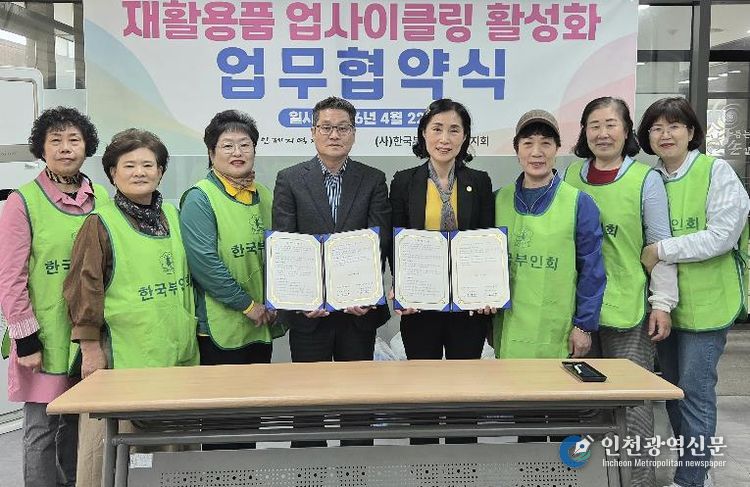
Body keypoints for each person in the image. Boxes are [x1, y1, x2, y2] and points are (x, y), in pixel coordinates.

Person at [64, 129, 199, 486]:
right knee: (115, 447)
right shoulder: (99, 223)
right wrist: (90, 350)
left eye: (148, 165)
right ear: (112, 173)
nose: (140, 172)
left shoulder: (173, 214)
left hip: (174, 348)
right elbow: (83, 289)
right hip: (122, 354)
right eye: (129, 165)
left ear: (161, 171)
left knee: (174, 445)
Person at [565, 97, 678, 487]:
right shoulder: (571, 177)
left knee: (633, 405)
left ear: (626, 130)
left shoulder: (645, 180)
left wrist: (661, 303)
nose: (602, 133)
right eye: (594, 125)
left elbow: (660, 248)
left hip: (627, 308)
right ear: (584, 132)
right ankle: (589, 478)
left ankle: (639, 480)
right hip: (579, 313)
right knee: (583, 404)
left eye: (611, 124)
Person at [637, 97, 749, 487]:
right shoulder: (650, 179)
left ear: (691, 131)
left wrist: (661, 249)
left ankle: (691, 480)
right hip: (663, 305)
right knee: (672, 392)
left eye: (674, 126)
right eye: (656, 128)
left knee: (696, 394)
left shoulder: (716, 172)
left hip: (708, 304)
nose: (665, 134)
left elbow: (722, 236)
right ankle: (696, 469)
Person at [272, 96, 391, 447]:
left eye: (342, 128)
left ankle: (357, 469)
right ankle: (309, 469)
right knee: (309, 407)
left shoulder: (372, 179)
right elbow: (287, 244)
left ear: (353, 133)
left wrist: (365, 293)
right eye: (326, 127)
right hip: (310, 314)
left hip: (358, 312)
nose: (334, 135)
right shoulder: (290, 179)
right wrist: (303, 298)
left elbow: (380, 241)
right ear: (313, 132)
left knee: (357, 407)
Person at [0, 106, 106, 487]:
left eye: (74, 140)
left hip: (89, 335)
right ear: (41, 149)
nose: (65, 148)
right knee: (42, 430)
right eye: (55, 140)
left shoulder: (100, 197)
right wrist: (26, 340)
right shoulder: (23, 201)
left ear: (86, 146)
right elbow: (10, 278)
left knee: (79, 427)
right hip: (45, 335)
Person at [180, 110, 285, 450]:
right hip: (220, 328)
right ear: (211, 153)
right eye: (227, 145)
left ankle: (244, 473)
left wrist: (275, 303)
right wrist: (247, 305)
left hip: (260, 323)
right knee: (222, 423)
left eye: (245, 144)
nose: (237, 152)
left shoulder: (264, 195)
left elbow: (281, 254)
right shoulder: (200, 198)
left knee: (250, 418)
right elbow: (204, 264)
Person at [494, 110, 605, 360]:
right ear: (517, 150)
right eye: (528, 143)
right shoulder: (498, 199)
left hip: (557, 331)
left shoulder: (579, 203)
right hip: (507, 329)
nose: (537, 152)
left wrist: (583, 326)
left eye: (545, 143)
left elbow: (592, 270)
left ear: (557, 149)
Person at [390, 98, 494, 361]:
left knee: (465, 377)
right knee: (423, 379)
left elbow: (486, 242)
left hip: (468, 304)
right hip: (420, 303)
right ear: (424, 133)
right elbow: (396, 242)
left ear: (465, 136)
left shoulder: (479, 181)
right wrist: (401, 287)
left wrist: (487, 290)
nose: (444, 139)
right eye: (437, 129)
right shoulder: (404, 181)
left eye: (454, 130)